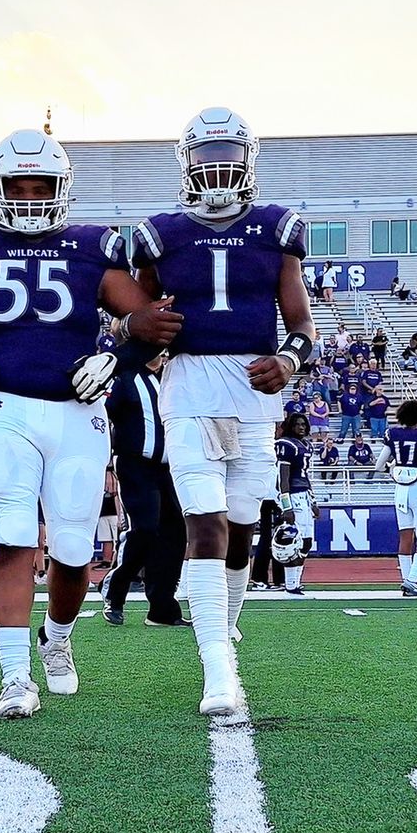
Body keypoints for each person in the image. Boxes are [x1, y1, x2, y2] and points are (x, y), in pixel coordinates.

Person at [0, 127, 181, 718]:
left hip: (77, 413)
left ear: (63, 187)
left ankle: (57, 640)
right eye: (17, 185)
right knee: (11, 539)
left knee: (76, 549)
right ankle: (14, 677)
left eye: (41, 185)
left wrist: (116, 353)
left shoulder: (91, 246)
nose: (30, 196)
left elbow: (152, 320)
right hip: (2, 408)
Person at [130, 106, 314, 716]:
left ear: (246, 162)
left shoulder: (277, 228)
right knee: (203, 525)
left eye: (224, 158)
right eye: (204, 159)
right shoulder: (160, 233)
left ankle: (227, 625)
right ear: (187, 164)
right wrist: (137, 323)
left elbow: (302, 324)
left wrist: (288, 361)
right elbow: (135, 310)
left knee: (241, 529)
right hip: (189, 385)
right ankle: (218, 669)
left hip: (255, 388)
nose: (215, 170)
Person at [102, 342, 188, 627]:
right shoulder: (125, 379)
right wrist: (105, 464)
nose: (163, 354)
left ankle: (162, 608)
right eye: (158, 349)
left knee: (175, 531)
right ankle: (115, 591)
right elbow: (104, 418)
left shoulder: (165, 380)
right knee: (146, 528)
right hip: (134, 464)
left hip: (166, 468)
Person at [373, 400, 417, 599]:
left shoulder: (393, 434)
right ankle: (412, 581)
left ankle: (407, 580)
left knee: (406, 537)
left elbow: (379, 466)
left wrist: (395, 469)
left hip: (400, 490)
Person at [276, 413, 317, 595]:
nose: (301, 427)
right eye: (297, 424)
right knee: (293, 541)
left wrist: (313, 501)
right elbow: (282, 478)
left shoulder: (306, 445)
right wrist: (286, 506)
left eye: (303, 424)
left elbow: (306, 475)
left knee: (307, 542)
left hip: (304, 495)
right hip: (292, 495)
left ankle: (295, 582)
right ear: (290, 426)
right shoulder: (286, 445)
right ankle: (290, 584)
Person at [93, 466, 119, 571]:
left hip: (115, 511)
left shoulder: (116, 472)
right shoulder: (99, 474)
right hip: (102, 510)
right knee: (105, 538)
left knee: (117, 538)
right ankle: (106, 560)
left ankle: (117, 560)